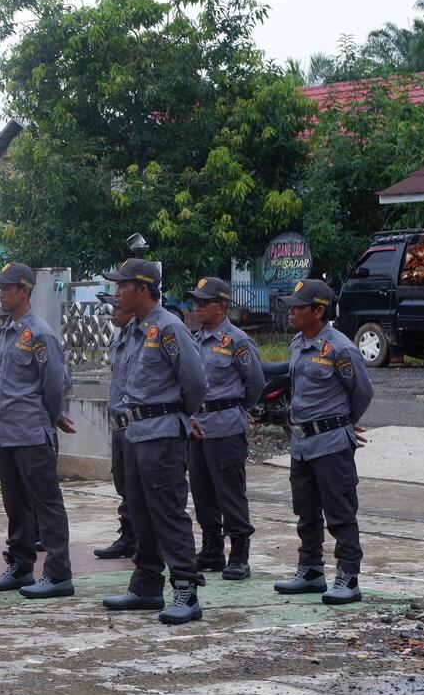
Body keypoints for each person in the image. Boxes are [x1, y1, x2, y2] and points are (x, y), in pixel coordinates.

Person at [101, 259, 207, 625]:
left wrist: (176, 416)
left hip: (161, 436)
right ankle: (146, 583)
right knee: (140, 513)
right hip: (134, 435)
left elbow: (194, 382)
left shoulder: (168, 328)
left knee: (167, 513)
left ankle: (186, 589)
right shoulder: (133, 330)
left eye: (122, 285)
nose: (116, 292)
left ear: (142, 289)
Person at [272, 279, 375, 605]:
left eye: (298, 306)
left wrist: (344, 421)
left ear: (318, 310)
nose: (291, 311)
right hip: (302, 444)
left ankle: (348, 575)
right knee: (306, 510)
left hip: (331, 443)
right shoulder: (298, 344)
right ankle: (311, 569)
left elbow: (362, 391)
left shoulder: (340, 348)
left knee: (340, 511)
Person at [0, 263, 75, 599]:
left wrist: (49, 419)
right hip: (6, 434)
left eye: (7, 288)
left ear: (24, 290)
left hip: (32, 434)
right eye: (0, 287)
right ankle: (20, 565)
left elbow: (55, 386)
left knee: (46, 504)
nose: (1, 293)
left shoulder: (39, 334)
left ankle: (58, 572)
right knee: (15, 505)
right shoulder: (8, 330)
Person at [187, 277, 265, 580]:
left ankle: (239, 554)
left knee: (230, 493)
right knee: (202, 492)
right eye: (195, 302)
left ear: (221, 306)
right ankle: (212, 550)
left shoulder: (236, 341)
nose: (197, 307)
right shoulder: (194, 339)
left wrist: (238, 410)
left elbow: (255, 383)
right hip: (197, 427)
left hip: (225, 427)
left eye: (203, 302)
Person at [93, 291, 139, 560]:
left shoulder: (141, 338)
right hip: (118, 424)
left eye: (117, 308)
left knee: (139, 486)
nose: (112, 312)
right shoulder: (118, 338)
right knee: (123, 484)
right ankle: (128, 536)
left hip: (137, 424)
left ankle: (147, 540)